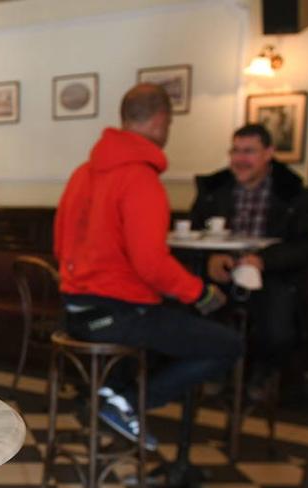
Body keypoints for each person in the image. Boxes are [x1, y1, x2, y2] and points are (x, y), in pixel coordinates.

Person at [55, 84, 242, 449]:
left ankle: (109, 393)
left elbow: (61, 243)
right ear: (160, 121)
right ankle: (125, 404)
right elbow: (151, 264)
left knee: (169, 327)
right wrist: (200, 292)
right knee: (227, 344)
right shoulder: (141, 178)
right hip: (119, 315)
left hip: (75, 312)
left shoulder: (82, 173)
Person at [189, 123, 308, 396]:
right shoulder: (214, 189)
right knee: (198, 308)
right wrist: (211, 259)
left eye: (248, 152)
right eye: (235, 151)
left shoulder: (295, 194)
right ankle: (215, 367)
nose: (240, 159)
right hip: (222, 273)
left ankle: (264, 371)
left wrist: (264, 261)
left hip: (271, 275)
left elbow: (306, 247)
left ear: (268, 153)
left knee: (278, 326)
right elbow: (193, 233)